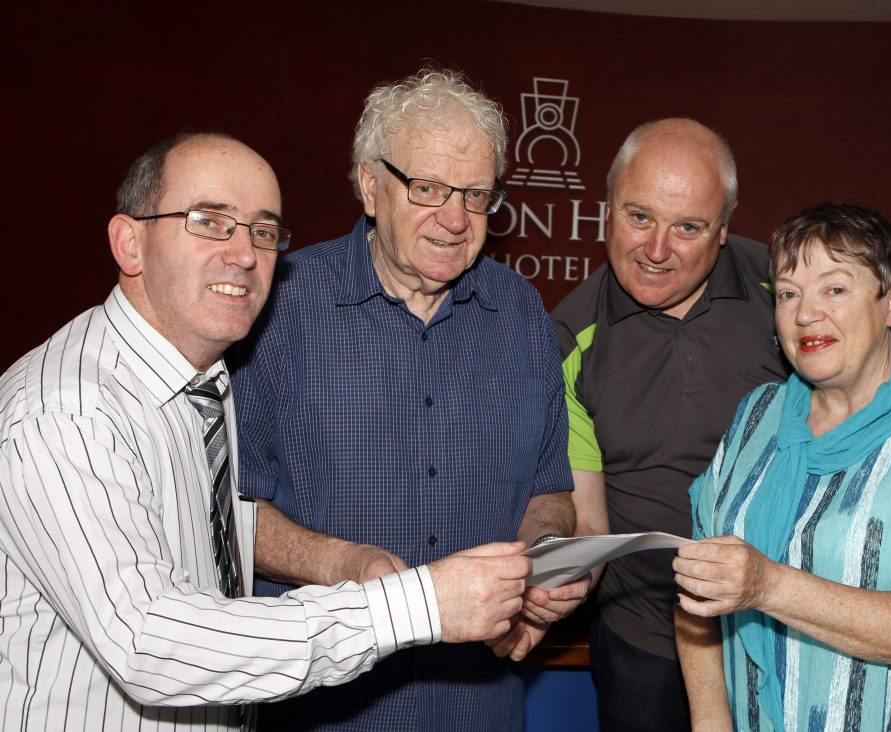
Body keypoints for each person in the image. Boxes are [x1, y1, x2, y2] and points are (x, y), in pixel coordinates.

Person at [0, 131, 534, 732]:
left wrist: (342, 561)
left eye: (262, 231)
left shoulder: (200, 382)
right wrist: (417, 605)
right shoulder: (67, 409)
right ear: (130, 242)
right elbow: (150, 643)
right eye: (209, 221)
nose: (244, 254)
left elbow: (192, 521)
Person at [230, 69, 586, 731]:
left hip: (479, 704)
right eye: (427, 189)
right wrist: (343, 563)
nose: (454, 220)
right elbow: (226, 509)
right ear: (370, 185)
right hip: (324, 709)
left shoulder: (522, 315)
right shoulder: (279, 306)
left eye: (475, 195)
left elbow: (549, 490)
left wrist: (543, 559)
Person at [674, 202, 891, 730]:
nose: (806, 314)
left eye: (834, 289)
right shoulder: (757, 416)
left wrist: (767, 586)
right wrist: (709, 721)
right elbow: (699, 588)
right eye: (789, 293)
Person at [551, 118, 787, 730]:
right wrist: (552, 584)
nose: (657, 250)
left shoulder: (789, 290)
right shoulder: (568, 336)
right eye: (639, 217)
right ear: (605, 209)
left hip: (788, 627)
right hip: (643, 639)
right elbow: (589, 521)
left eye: (688, 227)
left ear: (725, 229)